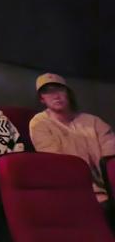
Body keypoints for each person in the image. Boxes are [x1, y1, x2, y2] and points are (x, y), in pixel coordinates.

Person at [30, 73, 115, 202]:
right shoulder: (39, 123)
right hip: (72, 191)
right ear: (42, 99)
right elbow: (56, 162)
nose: (56, 96)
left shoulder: (93, 121)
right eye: (48, 92)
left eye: (59, 89)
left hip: (107, 188)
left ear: (68, 93)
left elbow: (111, 153)